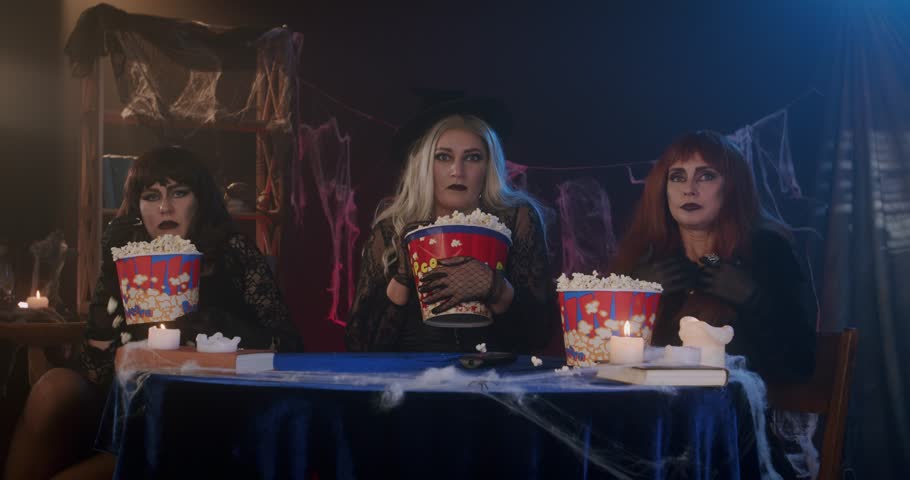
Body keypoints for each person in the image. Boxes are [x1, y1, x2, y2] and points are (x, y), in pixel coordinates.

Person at [4, 145, 302, 480]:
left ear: (200, 200)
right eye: (151, 196)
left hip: (199, 411)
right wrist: (114, 277)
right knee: (54, 388)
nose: (164, 207)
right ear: (137, 206)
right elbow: (96, 365)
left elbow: (289, 345)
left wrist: (217, 324)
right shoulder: (128, 252)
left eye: (179, 193)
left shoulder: (232, 251)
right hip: (124, 400)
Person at [345, 97, 557, 353]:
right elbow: (359, 346)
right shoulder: (392, 229)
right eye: (443, 157)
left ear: (488, 167)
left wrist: (498, 289)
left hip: (494, 373)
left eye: (473, 157)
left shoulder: (517, 219)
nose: (458, 170)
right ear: (424, 166)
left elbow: (539, 338)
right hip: (412, 375)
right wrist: (403, 276)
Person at [611, 131, 815, 383]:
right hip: (653, 403)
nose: (689, 190)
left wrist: (755, 300)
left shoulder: (768, 252)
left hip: (736, 404)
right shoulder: (647, 256)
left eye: (706, 176)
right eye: (677, 177)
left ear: (732, 187)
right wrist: (636, 296)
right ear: (663, 190)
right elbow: (602, 359)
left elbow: (801, 364)